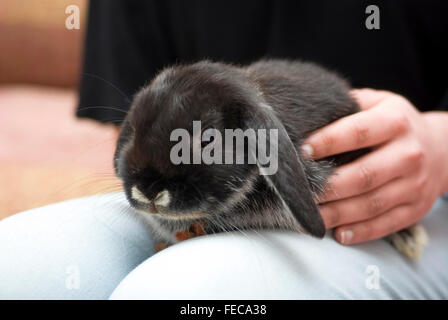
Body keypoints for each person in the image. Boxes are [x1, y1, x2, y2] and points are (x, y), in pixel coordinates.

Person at [0, 0, 447, 299]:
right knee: (22, 264)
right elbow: (140, 121)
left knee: (187, 293)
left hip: (399, 206)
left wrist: (438, 142)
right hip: (196, 203)